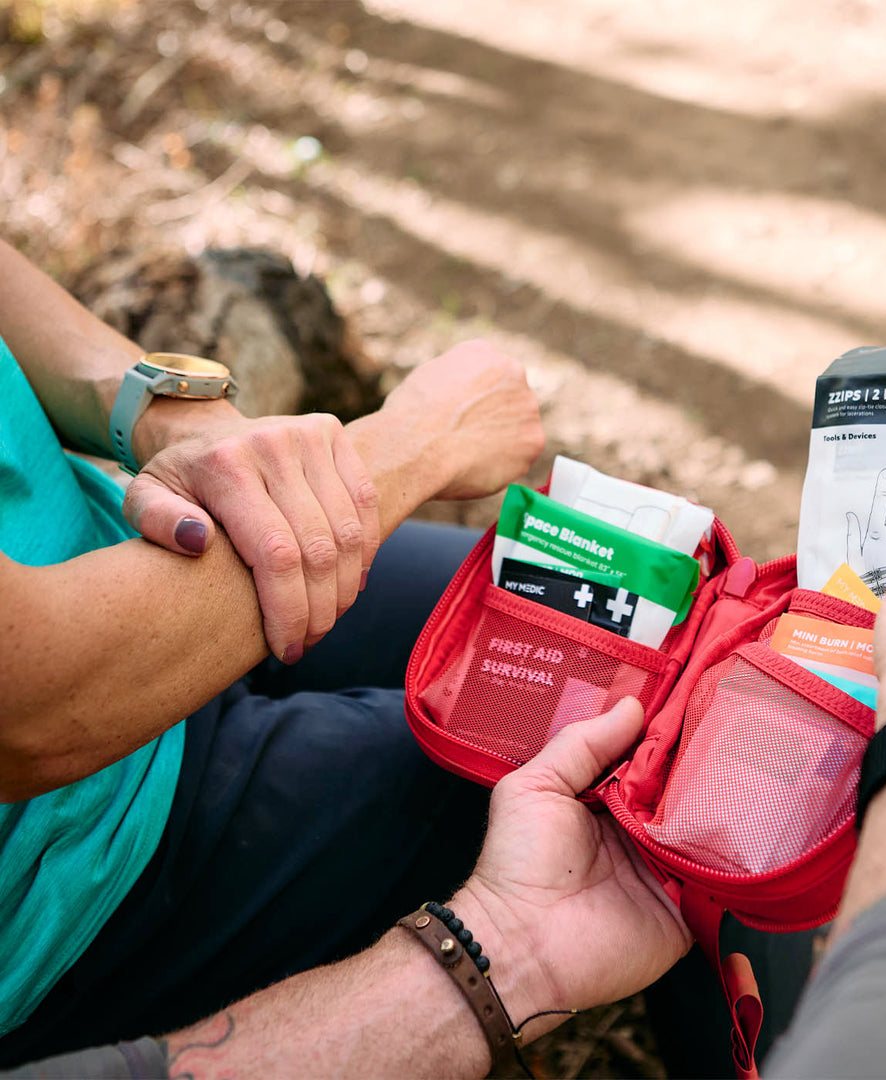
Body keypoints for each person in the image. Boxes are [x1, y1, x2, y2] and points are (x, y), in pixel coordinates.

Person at [4, 479, 886, 1079]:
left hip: (115, 539)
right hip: (85, 847)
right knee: (725, 789)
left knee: (689, 716)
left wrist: (146, 401)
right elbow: (41, 696)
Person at [0, 237, 546, 1064]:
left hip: (129, 548)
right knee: (630, 736)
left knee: (638, 631)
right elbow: (35, 706)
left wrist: (168, 413)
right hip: (74, 862)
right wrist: (412, 444)